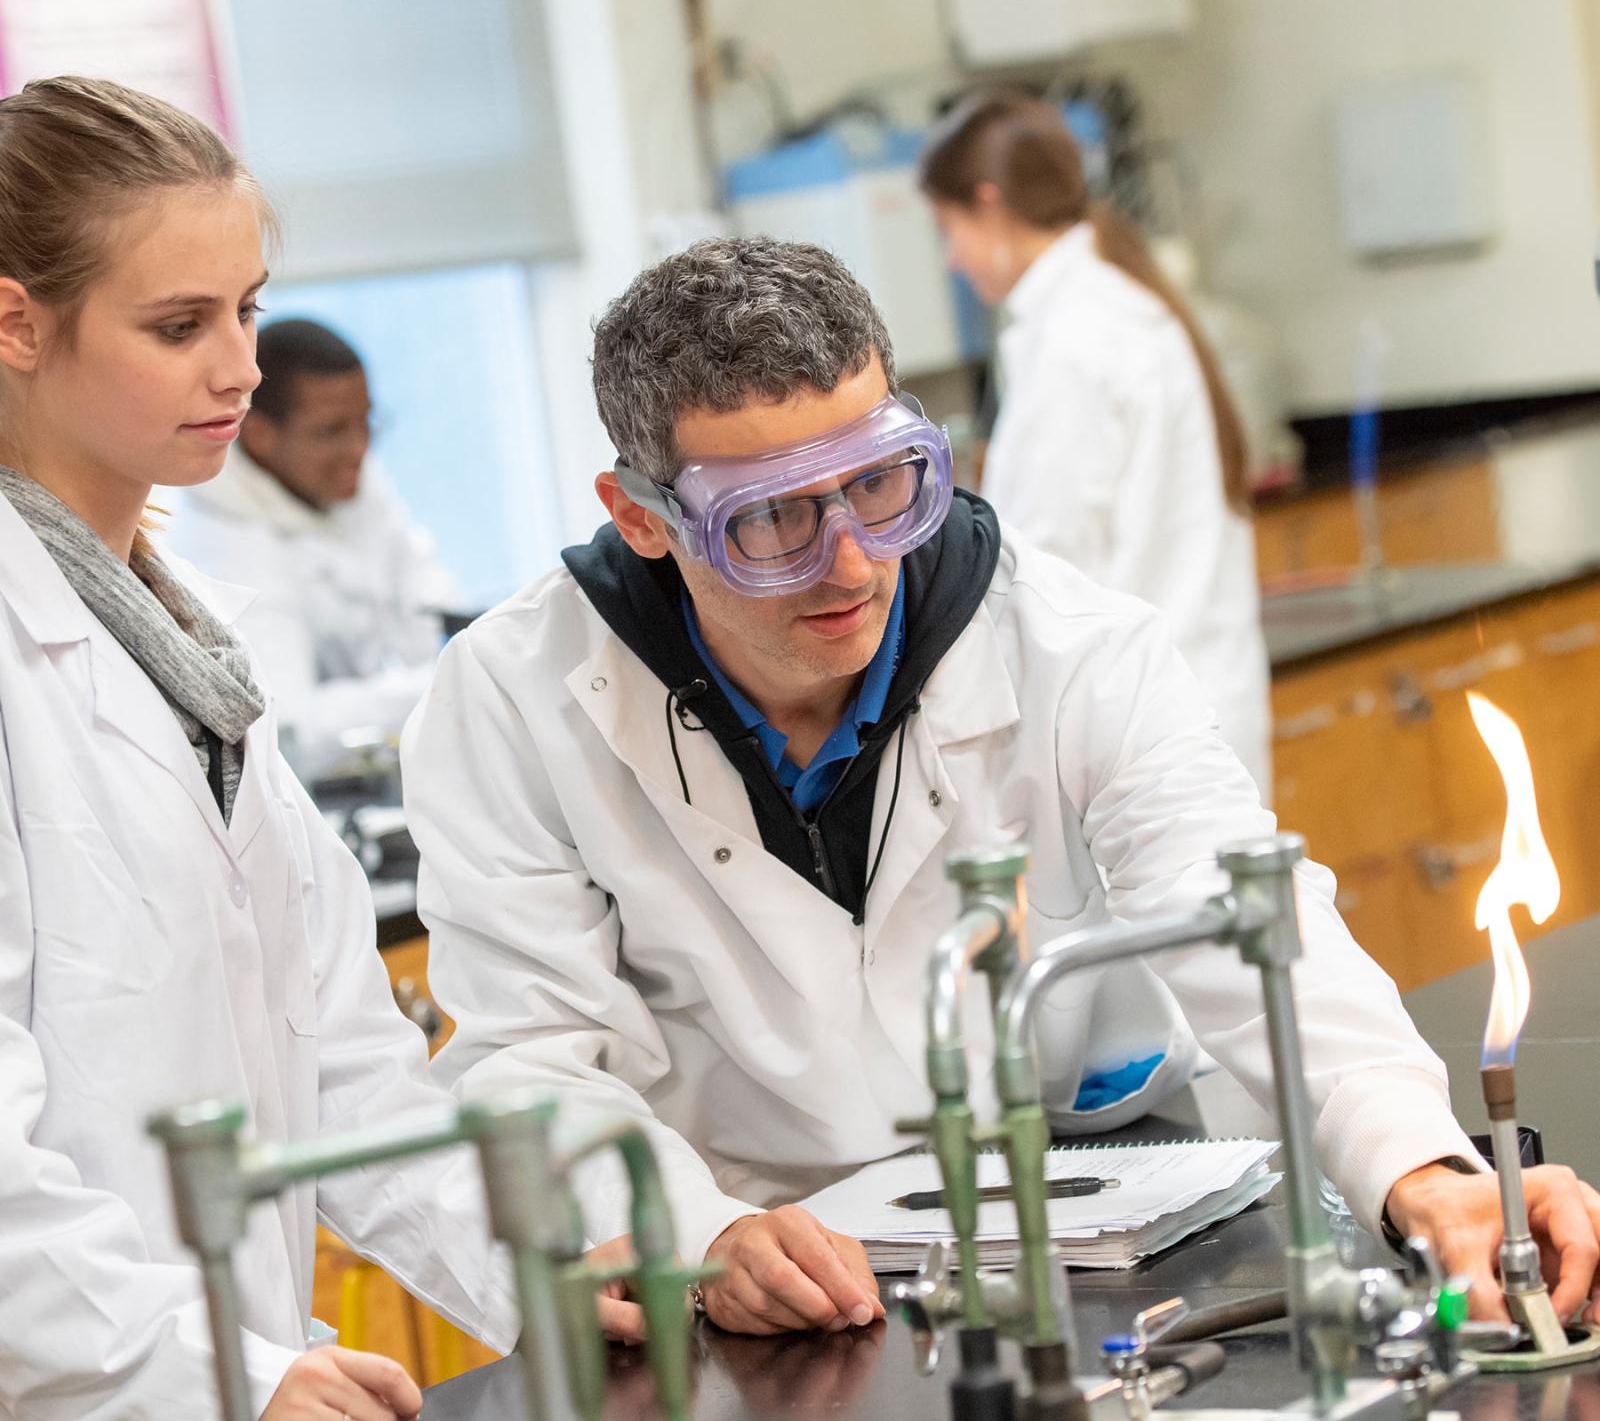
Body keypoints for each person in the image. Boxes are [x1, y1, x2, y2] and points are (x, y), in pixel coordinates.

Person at [404, 235, 1600, 1344]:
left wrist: (1427, 1176)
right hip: (765, 1276)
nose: (853, 560)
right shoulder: (512, 700)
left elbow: (1255, 928)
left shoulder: (1070, 645)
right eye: (770, 519)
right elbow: (533, 1051)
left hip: (1091, 1232)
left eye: (880, 483)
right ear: (643, 518)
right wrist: (694, 1231)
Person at [0, 76, 513, 1419]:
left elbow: (343, 1064)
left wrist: (574, 1273)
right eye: (179, 326)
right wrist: (214, 1376)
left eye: (247, 310)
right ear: (15, 325)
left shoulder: (188, 649)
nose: (239, 369)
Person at [918, 90, 1274, 796]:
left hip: (1147, 732)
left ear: (990, 204)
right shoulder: (1113, 306)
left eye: (948, 227)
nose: (951, 258)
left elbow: (1039, 561)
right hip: (1193, 704)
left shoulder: (1072, 343)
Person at [165, 317, 463, 782]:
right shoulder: (224, 545)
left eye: (366, 423)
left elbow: (434, 608)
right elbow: (291, 726)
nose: (359, 449)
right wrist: (439, 683)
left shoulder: (348, 480)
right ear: (260, 435)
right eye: (332, 431)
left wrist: (447, 668)